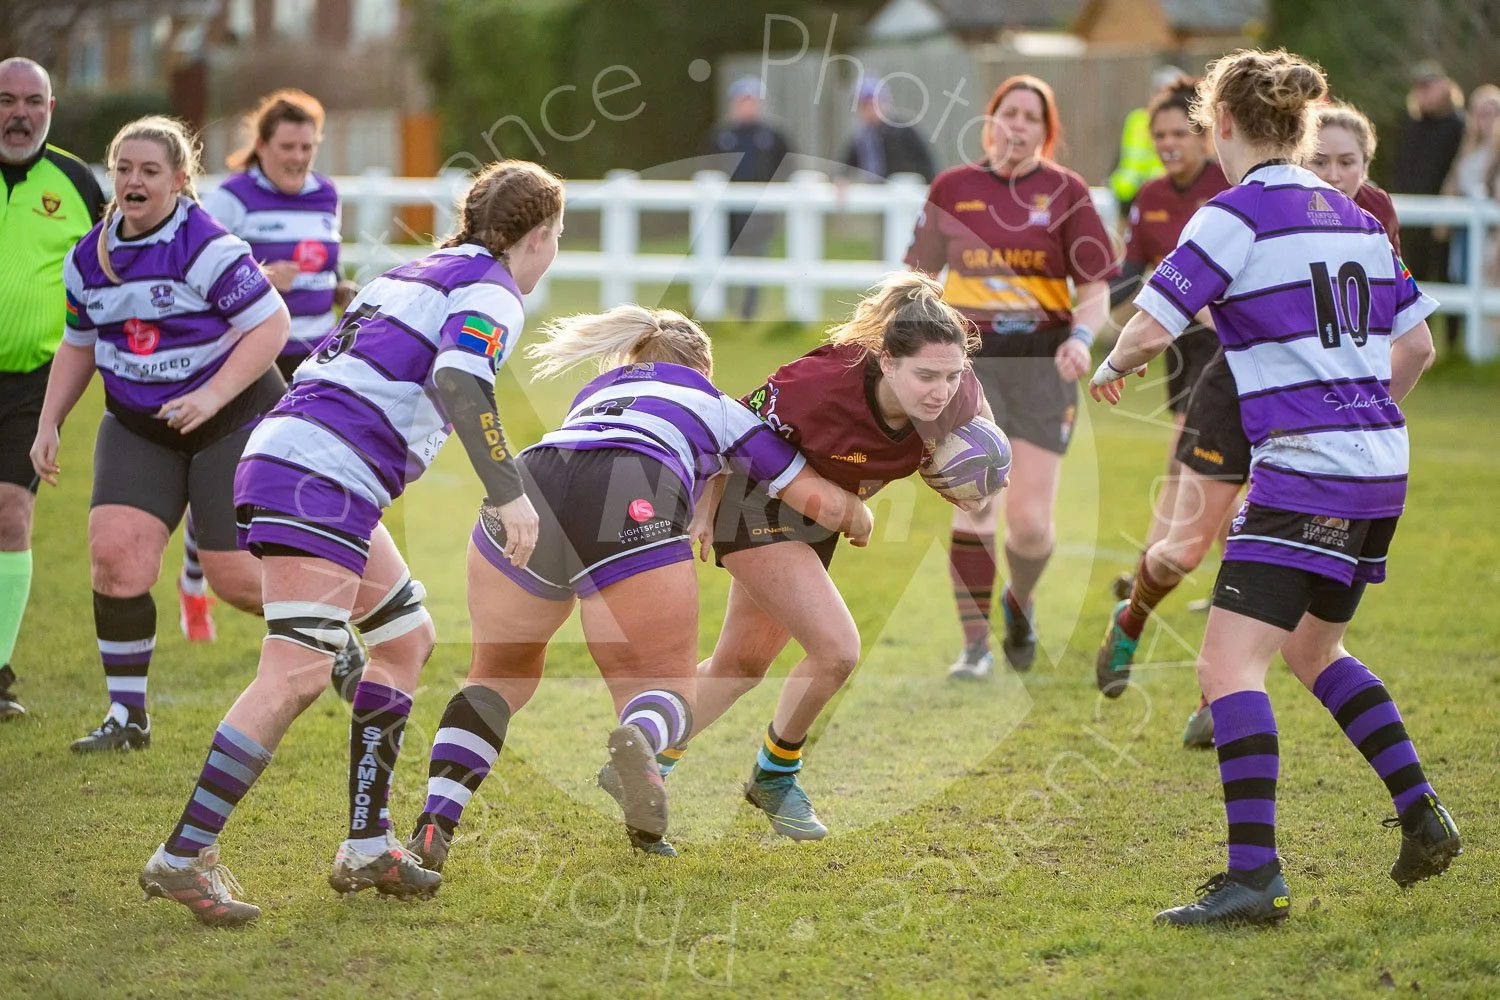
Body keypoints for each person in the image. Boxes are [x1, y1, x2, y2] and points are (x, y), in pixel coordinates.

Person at [136, 159, 564, 927]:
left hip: (305, 462)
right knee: (295, 675)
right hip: (320, 476)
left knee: (405, 639)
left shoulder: (415, 270)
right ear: (536, 236)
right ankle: (183, 856)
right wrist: (510, 493)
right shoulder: (492, 290)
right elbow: (463, 380)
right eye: (557, 236)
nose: (555, 251)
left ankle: (367, 842)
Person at [1089, 48, 1456, 927]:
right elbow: (1417, 350)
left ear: (1223, 126)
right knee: (1312, 652)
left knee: (1226, 664)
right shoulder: (1359, 219)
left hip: (1309, 472)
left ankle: (1255, 875)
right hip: (1380, 466)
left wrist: (1112, 361)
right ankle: (1423, 814)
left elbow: (1151, 325)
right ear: (1300, 127)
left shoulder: (1232, 215)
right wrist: (1356, 416)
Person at [403, 306, 876, 868]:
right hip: (628, 486)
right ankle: (643, 745)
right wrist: (860, 517)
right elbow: (813, 500)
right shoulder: (716, 405)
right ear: (703, 367)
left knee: (497, 678)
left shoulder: (593, 395)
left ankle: (434, 826)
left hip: (530, 483)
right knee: (666, 689)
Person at [620, 272, 989, 845]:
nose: (942, 390)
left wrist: (974, 468)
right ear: (887, 362)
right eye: (926, 376)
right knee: (837, 651)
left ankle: (642, 761)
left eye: (952, 374)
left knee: (740, 666)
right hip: (753, 499)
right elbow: (726, 425)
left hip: (818, 518)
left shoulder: (956, 390)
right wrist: (700, 503)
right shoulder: (817, 386)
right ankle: (775, 773)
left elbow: (978, 433)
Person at [1101, 98, 1410, 747]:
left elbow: (1406, 339)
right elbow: (1202, 295)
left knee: (1242, 547)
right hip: (1236, 389)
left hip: (1314, 429)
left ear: (1366, 165)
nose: (1331, 172)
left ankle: (1213, 697)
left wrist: (1357, 415)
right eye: (1319, 159)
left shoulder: (1369, 219)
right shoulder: (1255, 205)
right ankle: (1133, 616)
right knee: (1184, 548)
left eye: (1345, 162)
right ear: (1298, 152)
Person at [29, 116, 290, 753]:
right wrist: (48, 422)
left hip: (231, 416)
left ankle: (332, 631)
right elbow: (78, 344)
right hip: (140, 424)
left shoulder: (205, 246)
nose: (134, 181)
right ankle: (127, 718)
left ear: (179, 180)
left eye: (150, 171)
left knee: (234, 580)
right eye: (123, 169)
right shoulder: (88, 257)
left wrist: (209, 396)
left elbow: (271, 326)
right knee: (116, 560)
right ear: (110, 176)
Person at [905, 74, 1119, 678]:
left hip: (1047, 365)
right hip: (969, 366)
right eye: (1010, 113)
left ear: (1047, 133)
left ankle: (1018, 604)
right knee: (974, 504)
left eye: (1032, 117)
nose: (1018, 125)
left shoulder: (1067, 192)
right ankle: (974, 647)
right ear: (990, 120)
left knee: (1029, 527)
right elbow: (917, 284)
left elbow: (1096, 289)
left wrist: (1081, 338)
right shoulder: (954, 188)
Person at [176, 89, 360, 655]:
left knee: (296, 472)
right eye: (287, 145)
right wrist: (257, 279)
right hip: (247, 354)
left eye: (308, 145)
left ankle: (299, 568)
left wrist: (338, 291)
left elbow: (324, 264)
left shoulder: (325, 194)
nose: (299, 156)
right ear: (261, 146)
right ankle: (194, 582)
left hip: (312, 354)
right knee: (230, 478)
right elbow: (197, 279)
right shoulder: (231, 200)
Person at [0, 57, 104, 720]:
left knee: (11, 513)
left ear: (51, 107)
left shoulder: (75, 182)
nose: (19, 113)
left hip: (35, 381)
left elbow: (115, 266)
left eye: (32, 101)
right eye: (6, 100)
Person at [702, 76, 793, 320]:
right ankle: (721, 308)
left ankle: (748, 311)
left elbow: (787, 167)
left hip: (760, 212)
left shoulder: (774, 136)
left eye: (751, 101)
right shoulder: (721, 136)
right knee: (720, 257)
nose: (747, 106)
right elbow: (708, 168)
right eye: (743, 101)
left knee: (756, 257)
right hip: (727, 212)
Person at [1392, 60, 1464, 346]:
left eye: (1429, 87)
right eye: (1419, 89)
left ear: (1445, 86)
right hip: (1413, 215)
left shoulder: (1458, 125)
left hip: (1446, 215)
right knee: (1415, 276)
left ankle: (1452, 342)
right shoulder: (1412, 123)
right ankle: (1420, 339)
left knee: (1447, 274)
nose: (1423, 94)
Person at [1107, 65, 1185, 217]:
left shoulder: (1137, 119)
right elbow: (1123, 155)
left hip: (1161, 192)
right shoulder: (1136, 120)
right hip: (1129, 194)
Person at [840, 76, 937, 183]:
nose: (870, 110)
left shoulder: (904, 128)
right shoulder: (861, 137)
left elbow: (929, 164)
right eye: (864, 106)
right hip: (878, 195)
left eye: (873, 104)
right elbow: (845, 167)